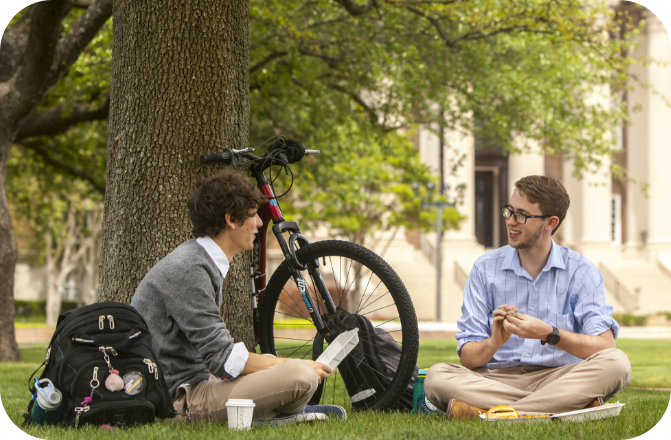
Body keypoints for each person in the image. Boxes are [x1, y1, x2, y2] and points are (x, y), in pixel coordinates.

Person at [131, 169, 345, 425]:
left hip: (202, 382)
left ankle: (272, 415)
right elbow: (224, 359)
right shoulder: (189, 269)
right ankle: (269, 417)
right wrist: (300, 365)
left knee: (277, 364)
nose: (259, 224)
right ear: (231, 219)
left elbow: (215, 356)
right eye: (254, 216)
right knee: (301, 375)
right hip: (181, 401)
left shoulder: (199, 260)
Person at [424, 175, 631, 419]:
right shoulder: (484, 269)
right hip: (496, 380)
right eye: (509, 211)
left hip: (558, 377)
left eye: (522, 215)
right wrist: (494, 342)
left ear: (550, 222)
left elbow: (605, 347)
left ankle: (503, 413)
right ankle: (558, 408)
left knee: (617, 364)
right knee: (437, 377)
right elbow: (468, 359)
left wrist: (549, 333)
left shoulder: (581, 271)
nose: (510, 221)